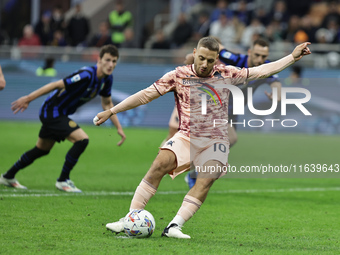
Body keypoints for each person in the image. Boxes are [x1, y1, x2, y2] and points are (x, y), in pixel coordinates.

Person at [93, 37, 311, 239]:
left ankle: (174, 226)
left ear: (216, 59)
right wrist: (112, 111)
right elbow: (144, 95)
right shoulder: (178, 75)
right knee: (159, 164)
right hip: (186, 136)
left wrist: (292, 57)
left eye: (210, 60)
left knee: (206, 178)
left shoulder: (226, 73)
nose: (205, 64)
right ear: (195, 53)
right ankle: (130, 218)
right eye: (201, 58)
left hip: (215, 140)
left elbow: (261, 71)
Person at [0, 45, 126, 192]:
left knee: (42, 149)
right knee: (82, 139)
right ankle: (63, 180)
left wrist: (118, 127)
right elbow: (56, 84)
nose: (111, 64)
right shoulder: (86, 74)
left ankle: (8, 176)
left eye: (114, 61)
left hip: (60, 114)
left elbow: (107, 104)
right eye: (108, 60)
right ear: (99, 60)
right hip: (52, 111)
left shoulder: (107, 80)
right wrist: (28, 98)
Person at [185, 38, 283, 188]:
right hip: (215, 106)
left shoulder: (266, 67)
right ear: (250, 52)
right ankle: (193, 171)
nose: (260, 59)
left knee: (225, 142)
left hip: (231, 111)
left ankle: (193, 169)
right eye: (257, 55)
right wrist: (191, 60)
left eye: (264, 56)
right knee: (228, 139)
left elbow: (276, 82)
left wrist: (277, 95)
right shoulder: (236, 59)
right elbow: (215, 47)